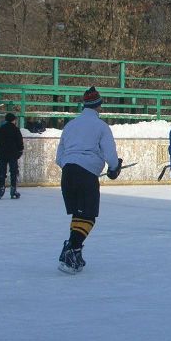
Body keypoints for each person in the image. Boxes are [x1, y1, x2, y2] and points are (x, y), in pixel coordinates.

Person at [55, 86, 122, 274]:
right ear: (99, 105)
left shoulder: (70, 125)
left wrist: (71, 165)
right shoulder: (101, 126)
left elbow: (59, 156)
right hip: (86, 174)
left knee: (79, 214)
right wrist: (114, 167)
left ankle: (74, 252)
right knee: (89, 216)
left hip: (67, 172)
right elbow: (110, 153)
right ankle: (71, 250)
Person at [0, 112, 24, 199]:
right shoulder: (16, 129)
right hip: (13, 154)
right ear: (13, 120)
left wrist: (0, 151)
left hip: (3, 154)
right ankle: (13, 190)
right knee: (14, 172)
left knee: (2, 172)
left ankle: (1, 188)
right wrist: (19, 151)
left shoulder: (1, 129)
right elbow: (20, 142)